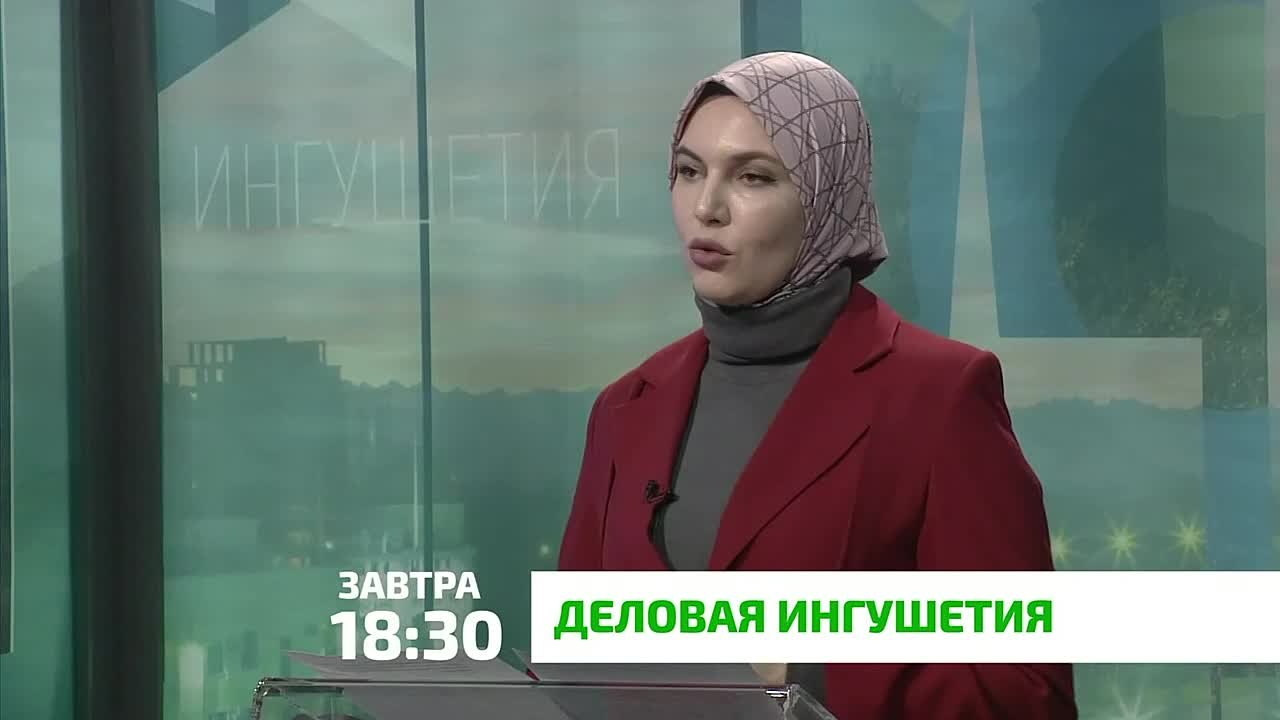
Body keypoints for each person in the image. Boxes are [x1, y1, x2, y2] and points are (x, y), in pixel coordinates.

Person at [557, 51, 1077, 720]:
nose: (706, 208)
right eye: (688, 171)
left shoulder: (940, 396)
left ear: (827, 194)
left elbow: (1028, 691)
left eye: (752, 176)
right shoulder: (626, 406)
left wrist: (805, 673)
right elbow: (571, 669)